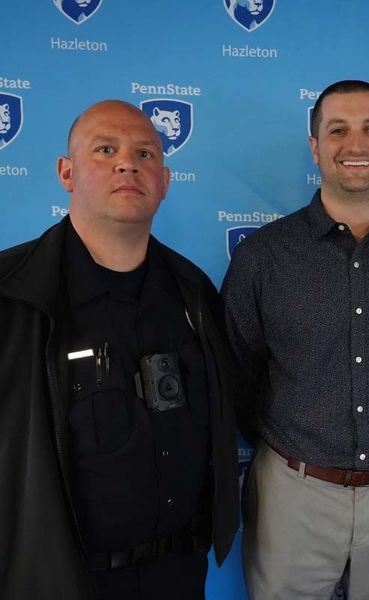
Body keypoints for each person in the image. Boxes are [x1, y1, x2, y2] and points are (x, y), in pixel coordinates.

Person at [222, 80, 369, 599]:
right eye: (338, 130)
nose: (356, 144)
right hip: (292, 490)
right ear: (315, 147)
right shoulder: (264, 257)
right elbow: (239, 371)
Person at [0, 100, 239, 600]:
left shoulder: (194, 293)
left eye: (146, 154)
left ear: (166, 181)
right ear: (67, 172)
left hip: (179, 575)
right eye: (105, 149)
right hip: (59, 581)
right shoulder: (12, 295)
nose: (128, 163)